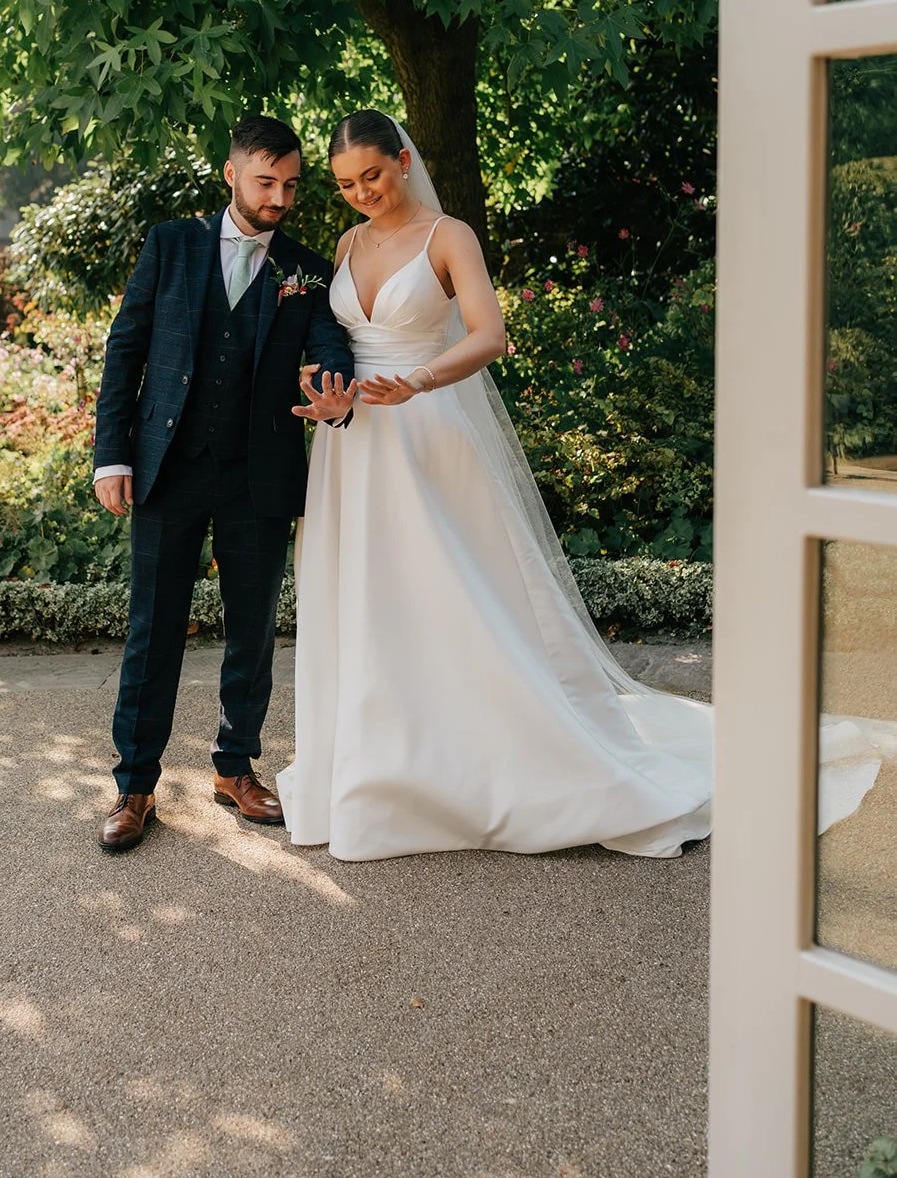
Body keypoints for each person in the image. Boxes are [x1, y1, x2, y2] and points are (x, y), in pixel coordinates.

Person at [277, 111, 883, 860]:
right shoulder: (344, 244)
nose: (361, 193)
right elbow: (333, 337)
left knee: (451, 592)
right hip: (355, 441)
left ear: (403, 159)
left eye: (372, 174)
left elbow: (488, 333)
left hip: (427, 427)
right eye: (344, 184)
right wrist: (326, 387)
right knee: (368, 593)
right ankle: (378, 761)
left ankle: (483, 759)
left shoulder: (449, 236)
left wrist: (422, 379)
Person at [92, 115, 355, 852]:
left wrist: (338, 392)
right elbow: (127, 351)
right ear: (231, 174)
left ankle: (235, 768)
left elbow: (330, 340)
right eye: (266, 181)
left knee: (253, 630)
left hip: (258, 474)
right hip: (168, 467)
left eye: (291, 185)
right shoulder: (170, 244)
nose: (279, 197)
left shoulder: (306, 267)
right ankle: (135, 785)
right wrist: (112, 455)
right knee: (152, 630)